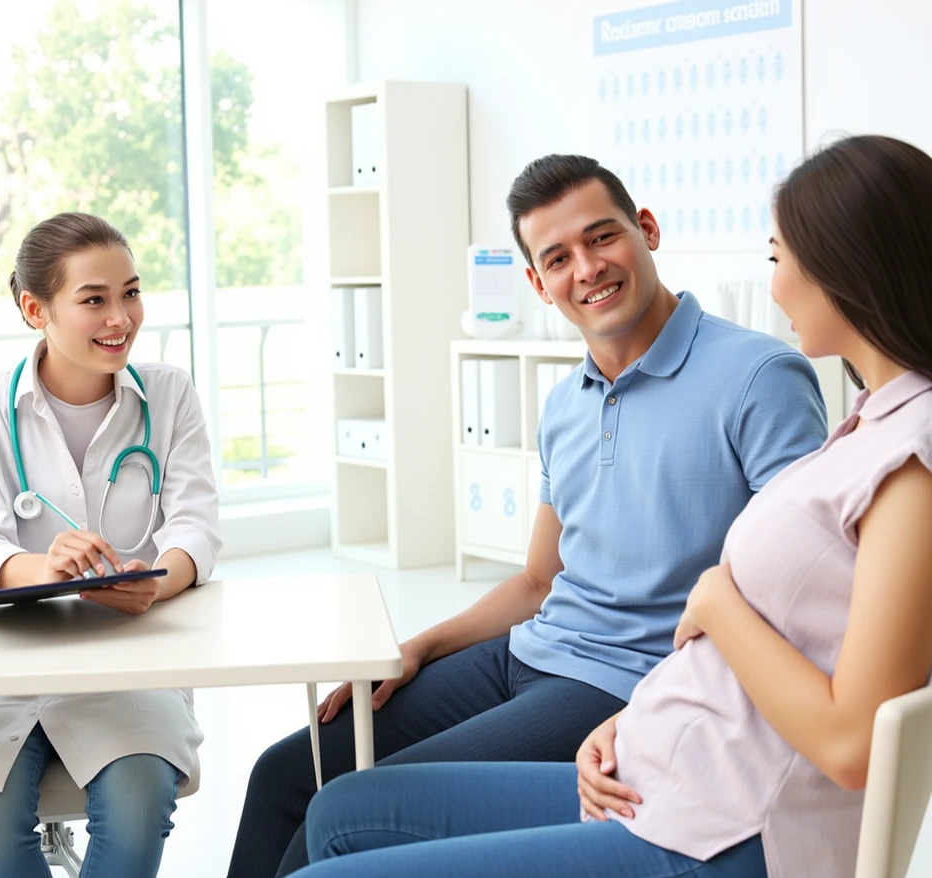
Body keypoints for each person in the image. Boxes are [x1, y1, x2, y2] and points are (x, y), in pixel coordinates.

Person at [289, 133, 932, 878]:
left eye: (777, 258)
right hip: (656, 735)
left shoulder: (881, 442)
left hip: (714, 810)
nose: (775, 285)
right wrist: (640, 716)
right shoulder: (866, 426)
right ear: (537, 281)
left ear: (845, 268)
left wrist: (711, 606)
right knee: (326, 799)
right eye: (557, 258)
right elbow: (543, 580)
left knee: (340, 840)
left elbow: (842, 715)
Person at [0, 212, 222, 878]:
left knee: (140, 812)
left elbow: (194, 526)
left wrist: (159, 580)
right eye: (94, 300)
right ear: (35, 308)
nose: (121, 318)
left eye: (131, 292)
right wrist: (43, 567)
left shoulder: (168, 396)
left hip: (130, 665)